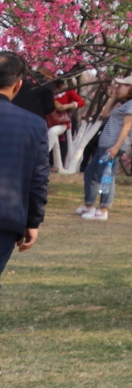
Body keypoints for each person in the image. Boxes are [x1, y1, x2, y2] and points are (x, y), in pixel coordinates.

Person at [0, 51, 49, 281]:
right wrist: (32, 221)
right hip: (7, 218)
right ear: (18, 85)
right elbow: (38, 178)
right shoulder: (34, 124)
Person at [79, 76, 132, 221]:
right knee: (91, 172)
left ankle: (103, 210)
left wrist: (116, 147)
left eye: (121, 86)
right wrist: (113, 98)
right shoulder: (124, 104)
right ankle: (89, 205)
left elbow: (126, 127)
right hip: (106, 144)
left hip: (113, 145)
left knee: (106, 177)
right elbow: (105, 114)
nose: (117, 88)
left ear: (130, 88)